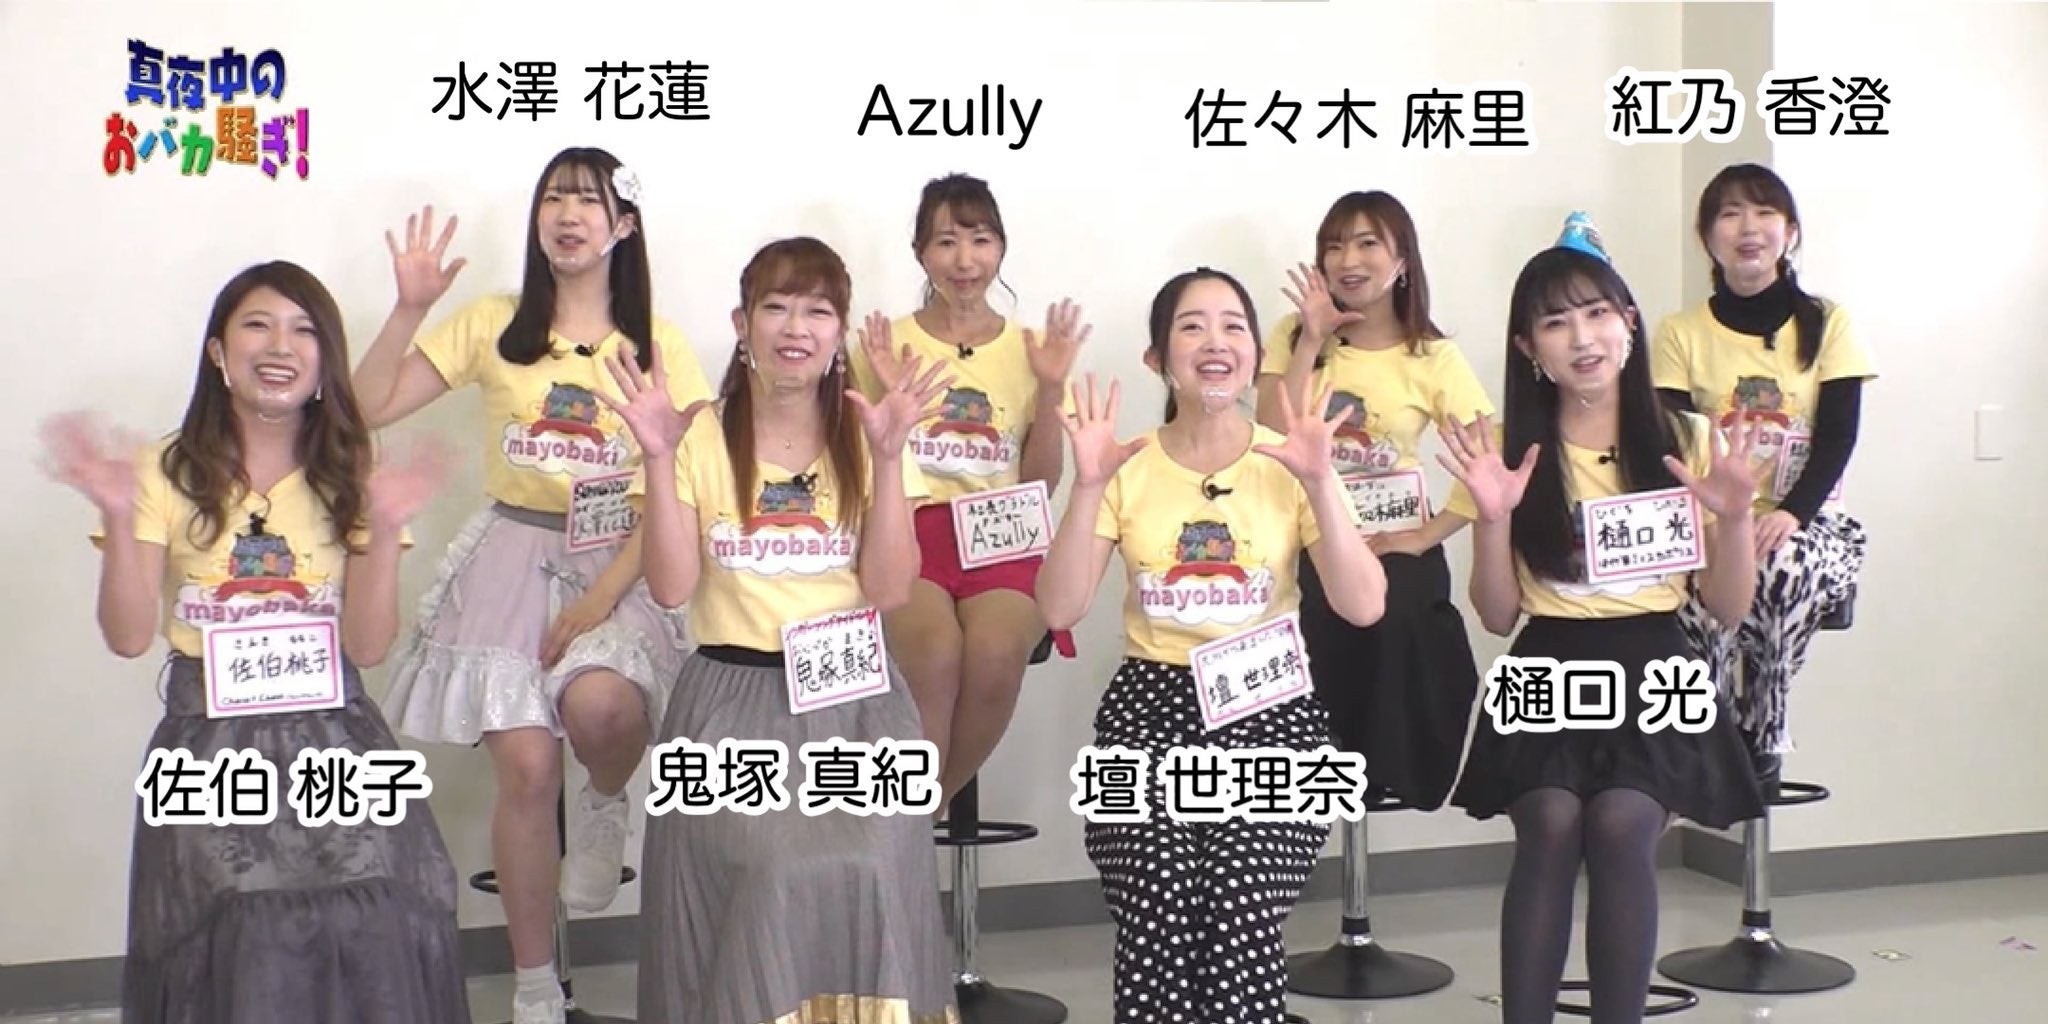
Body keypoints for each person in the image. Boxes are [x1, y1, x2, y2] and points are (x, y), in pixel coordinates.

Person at [42, 260, 469, 1023]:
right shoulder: (162, 470)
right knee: (246, 931)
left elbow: (369, 646)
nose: (280, 346)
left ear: (325, 361)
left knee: (382, 910)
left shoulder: (353, 471)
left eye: (304, 330)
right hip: (209, 737)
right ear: (218, 352)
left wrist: (387, 528)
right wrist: (118, 513)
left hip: (337, 731)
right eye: (258, 326)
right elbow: (129, 635)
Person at [348, 147, 712, 1024]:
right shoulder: (494, 324)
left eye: (587, 200)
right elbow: (364, 405)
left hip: (619, 560)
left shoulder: (658, 345)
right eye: (555, 198)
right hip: (509, 553)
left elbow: (686, 483)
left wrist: (599, 598)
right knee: (526, 764)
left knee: (604, 712)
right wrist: (408, 309)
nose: (568, 215)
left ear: (624, 225)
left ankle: (606, 798)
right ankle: (536, 988)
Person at [610, 236, 960, 1024]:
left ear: (840, 333)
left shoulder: (867, 434)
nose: (795, 327)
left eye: (817, 311)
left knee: (873, 858)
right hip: (730, 700)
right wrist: (658, 459)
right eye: (775, 307)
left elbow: (890, 588)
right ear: (743, 324)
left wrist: (891, 460)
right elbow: (670, 587)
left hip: (856, 697)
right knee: (769, 863)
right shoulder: (701, 435)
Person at [1036, 267, 1387, 1023]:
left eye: (1233, 326)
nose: (1215, 342)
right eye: (1191, 327)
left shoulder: (1290, 458)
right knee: (1157, 887)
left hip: (1273, 713)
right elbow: (1059, 606)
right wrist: (1087, 486)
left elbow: (1363, 605)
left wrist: (1321, 482)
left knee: (1238, 890)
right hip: (1148, 711)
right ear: (1157, 358)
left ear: (1256, 353)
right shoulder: (1124, 466)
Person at [1440, 223, 1767, 1024]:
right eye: (1556, 323)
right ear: (1529, 349)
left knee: (1621, 823)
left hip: (1655, 663)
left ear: (1628, 322)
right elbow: (1497, 615)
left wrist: (1733, 519)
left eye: (1596, 314)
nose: (1582, 338)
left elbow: (1727, 608)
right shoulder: (1511, 450)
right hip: (1547, 664)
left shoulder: (1687, 440)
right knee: (1551, 820)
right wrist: (1492, 520)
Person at [849, 172, 1082, 804]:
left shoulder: (1033, 349)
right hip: (911, 529)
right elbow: (858, 460)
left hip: (1002, 531)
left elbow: (1040, 482)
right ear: (921, 252)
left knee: (998, 651)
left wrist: (1051, 389)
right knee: (934, 653)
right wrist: (891, 405)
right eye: (946, 242)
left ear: (1001, 247)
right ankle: (916, 819)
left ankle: (925, 812)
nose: (964, 261)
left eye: (980, 241)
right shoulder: (883, 344)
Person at [1255, 189, 1492, 810]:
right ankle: (1318, 767)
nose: (1347, 260)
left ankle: (1386, 769)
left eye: (1366, 243)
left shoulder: (1432, 356)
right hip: (1304, 535)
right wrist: (1311, 340)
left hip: (1392, 537)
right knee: (1308, 616)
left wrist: (1427, 533)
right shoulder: (1291, 336)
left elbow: (1486, 454)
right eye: (1334, 246)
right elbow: (1268, 434)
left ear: (1402, 261)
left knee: (1405, 612)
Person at [1651, 163, 1875, 795]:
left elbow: (1839, 436)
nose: (1748, 227)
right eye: (1729, 214)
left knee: (1778, 563)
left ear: (1790, 232)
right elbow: (1671, 440)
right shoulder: (1679, 332)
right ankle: (1711, 724)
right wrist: (1721, 523)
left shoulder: (1829, 322)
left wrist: (1789, 514)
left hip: (1805, 521)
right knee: (1687, 583)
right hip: (1710, 520)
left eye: (1764, 212)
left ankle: (1761, 729)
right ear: (1707, 238)